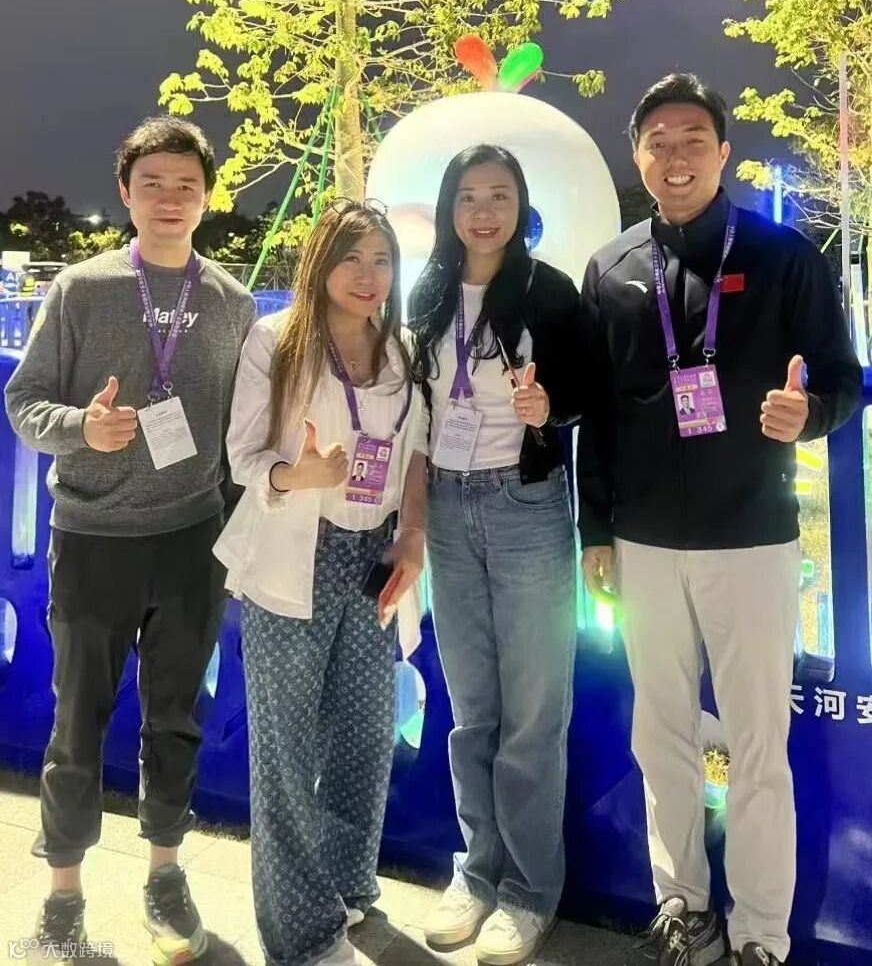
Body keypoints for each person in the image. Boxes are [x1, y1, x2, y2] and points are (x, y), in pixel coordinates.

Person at [577, 74, 861, 966]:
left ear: (723, 152)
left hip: (752, 537)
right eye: (657, 141)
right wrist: (594, 532)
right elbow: (598, 414)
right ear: (637, 157)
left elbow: (842, 378)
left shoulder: (784, 256)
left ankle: (761, 932)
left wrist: (807, 415)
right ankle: (683, 905)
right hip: (645, 541)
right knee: (659, 730)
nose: (676, 156)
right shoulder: (611, 269)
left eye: (693, 138)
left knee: (756, 741)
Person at [4, 116, 256, 963]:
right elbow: (24, 401)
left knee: (175, 720)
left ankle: (164, 876)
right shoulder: (80, 290)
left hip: (191, 541)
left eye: (187, 185)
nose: (170, 199)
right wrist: (82, 426)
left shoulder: (231, 303)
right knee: (76, 723)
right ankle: (63, 901)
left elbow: (241, 431)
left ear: (208, 197)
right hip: (93, 537)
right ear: (125, 191)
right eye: (153, 183)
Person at [215, 198, 428, 966]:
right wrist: (295, 473)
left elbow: (415, 453)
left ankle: (346, 884)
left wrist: (412, 536)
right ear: (319, 264)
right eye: (351, 258)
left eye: (382, 260)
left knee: (364, 736)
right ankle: (300, 936)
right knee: (285, 752)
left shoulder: (402, 348)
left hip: (374, 561)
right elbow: (243, 455)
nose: (368, 276)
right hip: (293, 557)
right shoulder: (275, 342)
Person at [409, 144, 580, 966]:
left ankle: (530, 891)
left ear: (521, 205)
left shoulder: (549, 290)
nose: (483, 211)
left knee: (533, 713)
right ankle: (476, 872)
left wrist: (551, 406)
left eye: (500, 195)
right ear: (450, 205)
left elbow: (586, 390)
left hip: (525, 504)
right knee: (473, 707)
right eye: (469, 195)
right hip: (446, 504)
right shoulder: (429, 291)